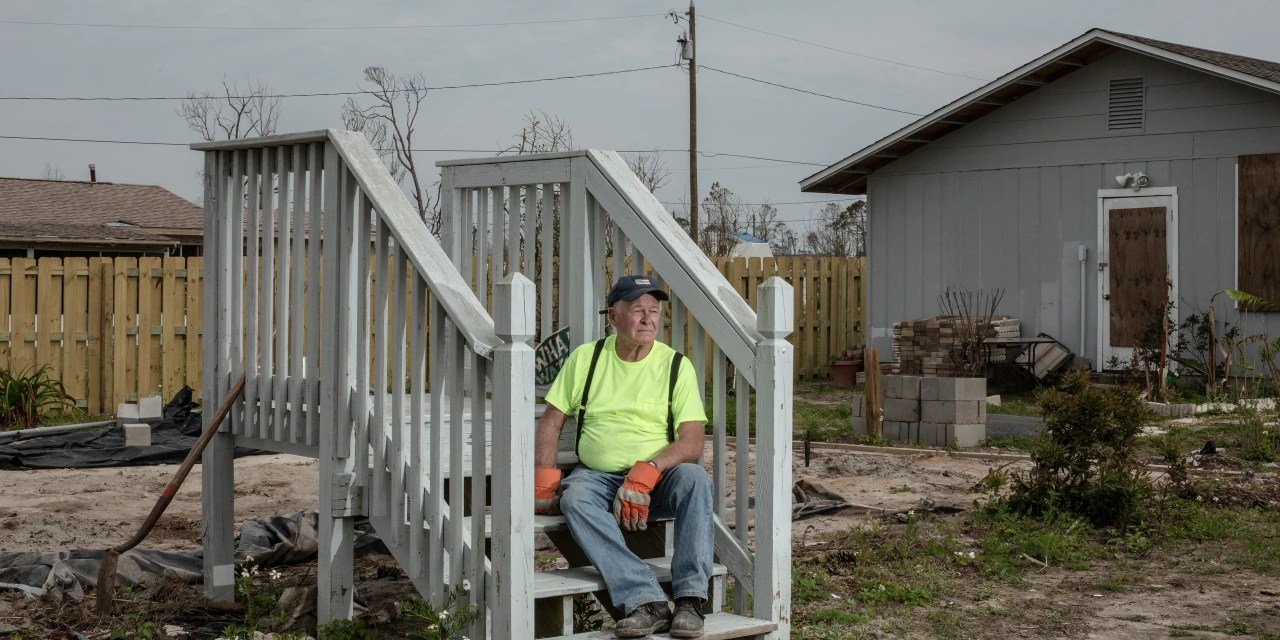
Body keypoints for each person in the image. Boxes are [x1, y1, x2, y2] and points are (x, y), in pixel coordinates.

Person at [534, 275, 713, 639]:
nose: (648, 319)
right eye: (637, 311)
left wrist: (649, 470)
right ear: (613, 316)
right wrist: (544, 480)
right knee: (576, 497)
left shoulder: (676, 366)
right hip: (597, 476)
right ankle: (645, 599)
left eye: (654, 311)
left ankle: (691, 599)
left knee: (695, 479)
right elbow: (551, 423)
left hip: (657, 478)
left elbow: (693, 441)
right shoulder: (586, 358)